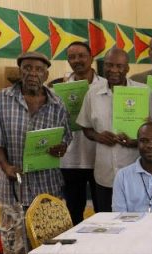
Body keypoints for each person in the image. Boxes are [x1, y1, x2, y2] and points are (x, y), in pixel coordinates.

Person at [0, 51, 71, 254]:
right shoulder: (3, 99)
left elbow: (66, 137)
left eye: (39, 69)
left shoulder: (57, 103)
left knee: (50, 244)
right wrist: (5, 167)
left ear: (46, 73)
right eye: (28, 68)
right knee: (19, 251)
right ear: (20, 71)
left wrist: (61, 148)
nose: (33, 73)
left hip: (47, 187)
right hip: (14, 187)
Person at [77, 47, 152, 212]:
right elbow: (86, 127)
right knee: (107, 223)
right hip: (104, 175)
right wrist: (98, 136)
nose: (113, 70)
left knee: (138, 223)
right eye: (109, 65)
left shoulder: (143, 92)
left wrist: (138, 142)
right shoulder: (92, 94)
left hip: (137, 173)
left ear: (127, 68)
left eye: (119, 66)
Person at [49, 41, 102, 225]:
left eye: (81, 56)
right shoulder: (57, 89)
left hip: (98, 158)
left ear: (91, 57)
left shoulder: (105, 85)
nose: (77, 60)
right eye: (72, 57)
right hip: (69, 159)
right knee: (74, 212)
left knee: (102, 211)